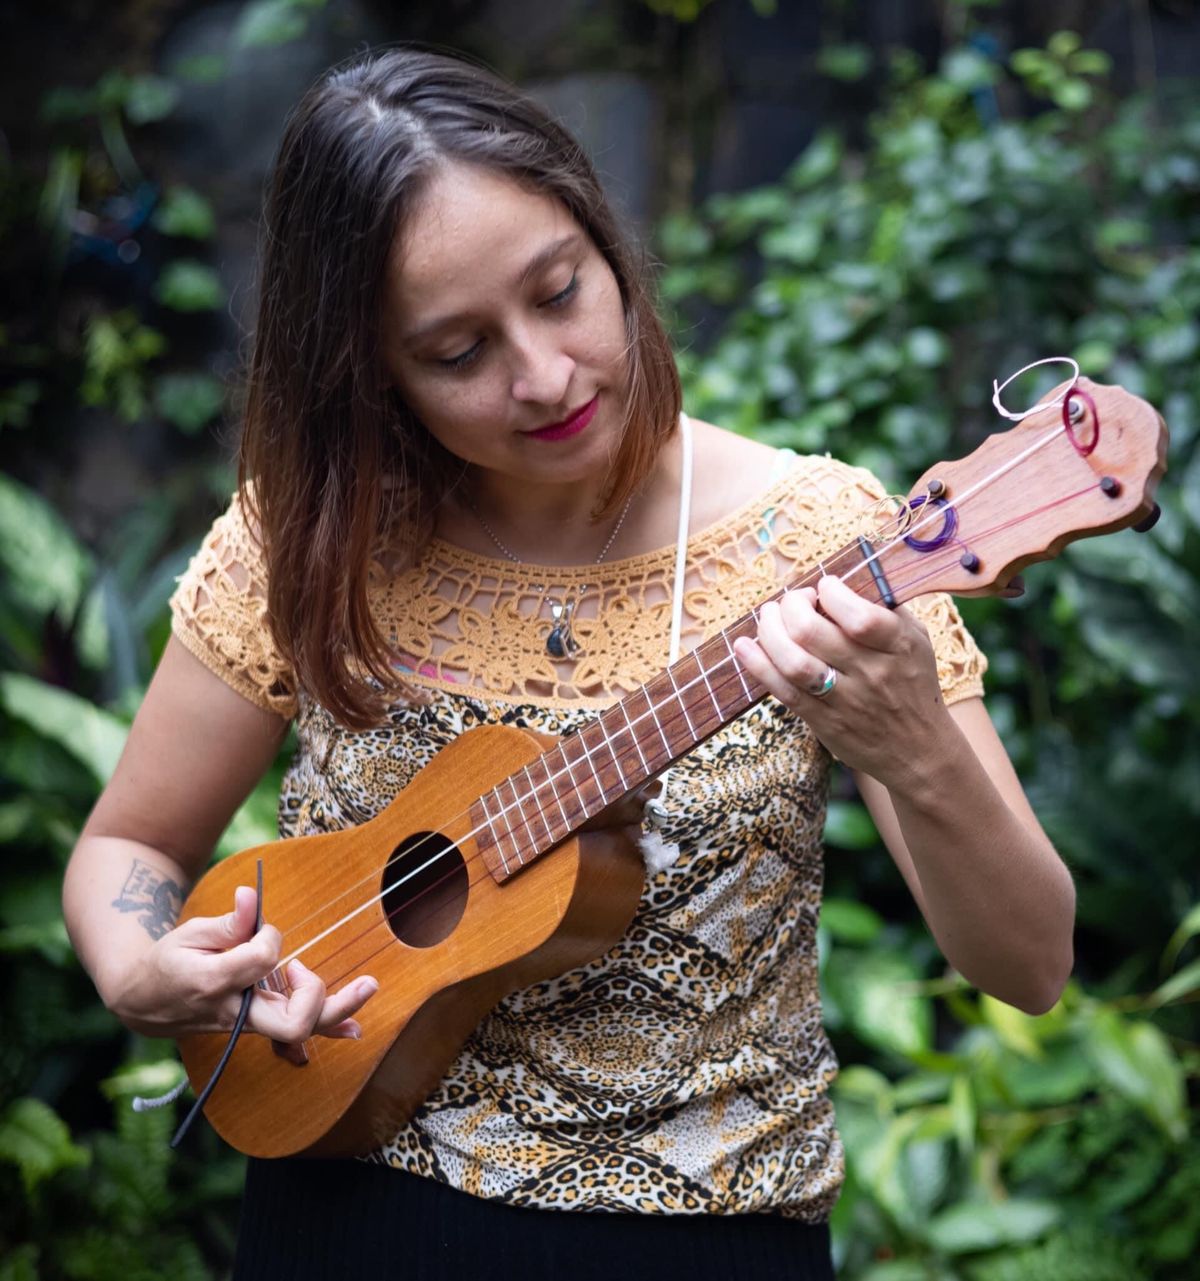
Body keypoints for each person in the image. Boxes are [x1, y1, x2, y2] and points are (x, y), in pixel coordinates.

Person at [62, 46, 1075, 1280]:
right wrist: (144, 967)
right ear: (369, 366)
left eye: (559, 293)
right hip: (341, 1214)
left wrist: (919, 750)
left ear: (608, 245)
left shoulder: (821, 543)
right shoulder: (309, 535)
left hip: (704, 1242)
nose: (543, 378)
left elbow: (1029, 965)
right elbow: (128, 850)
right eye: (456, 353)